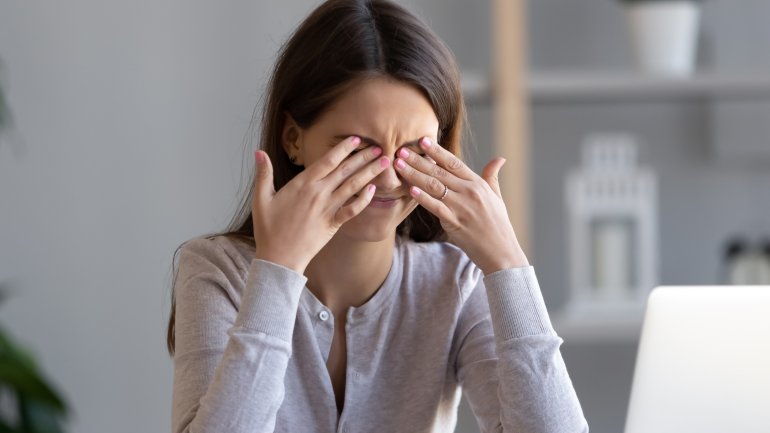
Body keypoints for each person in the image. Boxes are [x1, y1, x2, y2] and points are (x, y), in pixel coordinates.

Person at [167, 0, 589, 432]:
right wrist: (278, 271)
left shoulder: (456, 281)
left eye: (414, 149)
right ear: (294, 138)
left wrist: (508, 266)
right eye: (360, 147)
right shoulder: (217, 271)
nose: (389, 178)